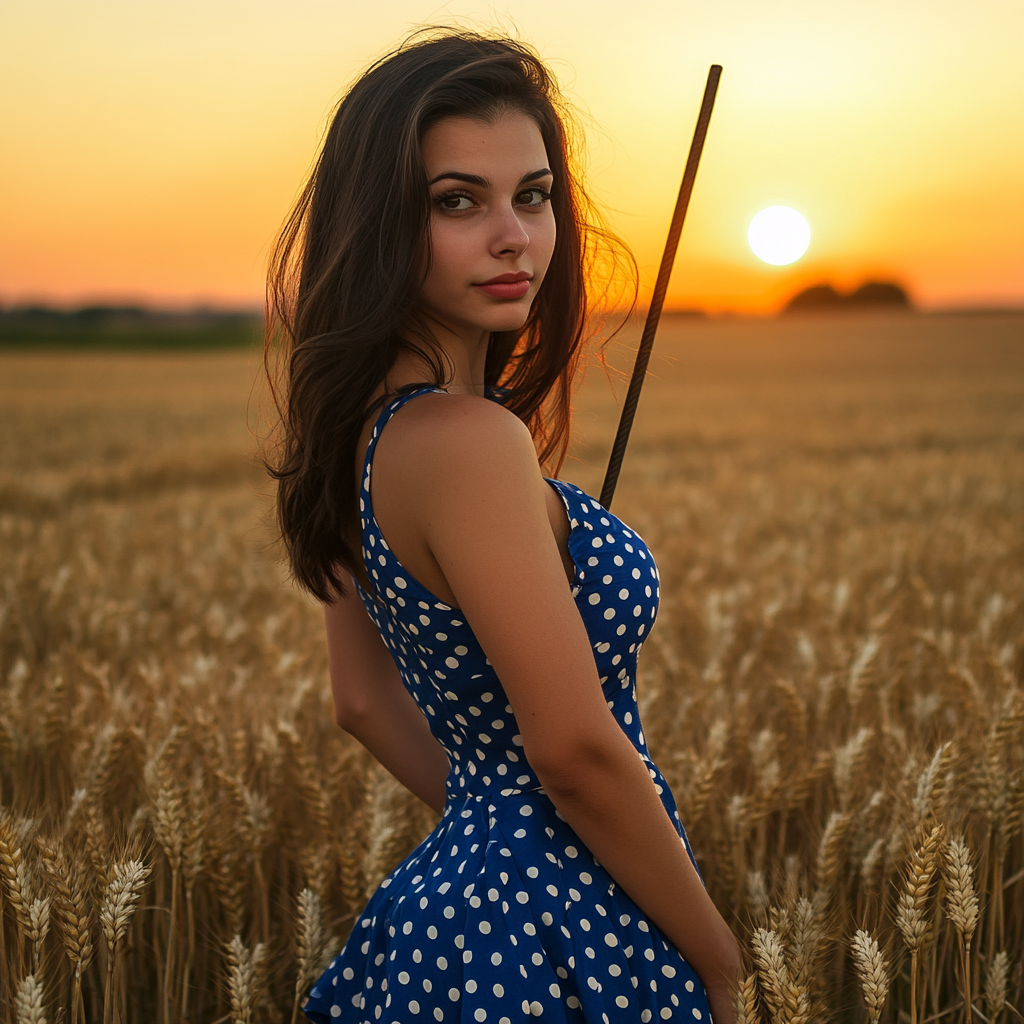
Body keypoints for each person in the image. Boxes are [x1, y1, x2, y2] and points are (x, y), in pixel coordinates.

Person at [263, 29, 743, 1024]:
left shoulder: (355, 429)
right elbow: (571, 748)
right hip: (541, 929)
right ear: (380, 222)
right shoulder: (468, 441)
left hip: (451, 916)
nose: (513, 233)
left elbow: (361, 699)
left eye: (532, 195)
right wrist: (722, 962)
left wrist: (494, 819)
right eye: (456, 201)